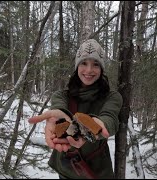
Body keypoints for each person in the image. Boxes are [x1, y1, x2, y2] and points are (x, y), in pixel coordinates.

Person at [28, 39, 123, 179]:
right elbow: (58, 107)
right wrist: (59, 119)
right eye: (84, 63)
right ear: (77, 66)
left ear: (101, 69)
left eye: (95, 64)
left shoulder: (112, 97)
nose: (89, 70)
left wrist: (97, 126)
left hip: (98, 170)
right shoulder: (62, 95)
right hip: (68, 168)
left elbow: (110, 118)